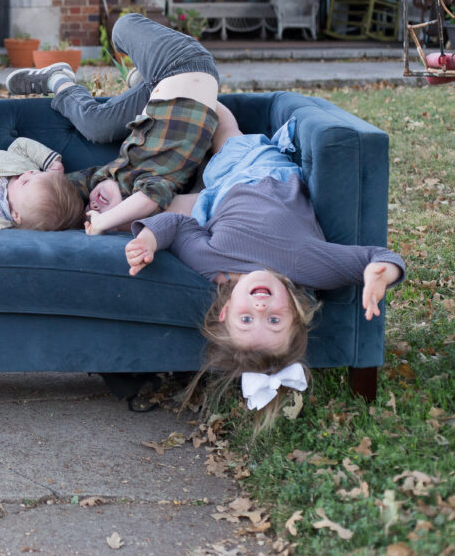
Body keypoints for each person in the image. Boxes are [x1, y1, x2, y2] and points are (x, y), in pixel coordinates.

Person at [122, 127, 405, 428]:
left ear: (225, 311)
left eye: (246, 320)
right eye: (274, 320)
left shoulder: (211, 262)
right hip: (261, 165)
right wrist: (380, 273)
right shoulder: (310, 265)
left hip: (218, 188)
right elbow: (382, 256)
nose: (260, 309)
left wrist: (148, 241)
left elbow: (176, 226)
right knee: (220, 124)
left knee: (137, 204)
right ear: (295, 313)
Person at [4, 13, 241, 235]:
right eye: (98, 213)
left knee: (96, 125)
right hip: (184, 63)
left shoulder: (103, 178)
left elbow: (58, 194)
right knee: (122, 26)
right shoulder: (151, 182)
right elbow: (148, 200)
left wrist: (42, 181)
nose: (94, 207)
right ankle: (143, 79)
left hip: (161, 88)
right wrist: (104, 222)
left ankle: (58, 80)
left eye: (89, 208)